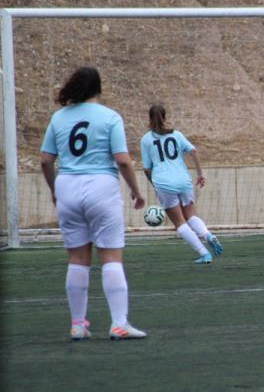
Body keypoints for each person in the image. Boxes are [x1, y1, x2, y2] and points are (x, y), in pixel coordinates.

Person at [40, 66, 147, 340]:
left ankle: (78, 325)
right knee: (110, 256)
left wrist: (54, 189)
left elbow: (46, 160)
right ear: (98, 89)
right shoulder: (110, 117)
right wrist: (136, 191)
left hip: (68, 187)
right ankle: (119, 324)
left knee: (77, 259)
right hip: (101, 186)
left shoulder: (58, 118)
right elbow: (122, 159)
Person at [140, 104, 222, 265]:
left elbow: (146, 169)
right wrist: (200, 174)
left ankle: (204, 253)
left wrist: (155, 185)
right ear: (165, 118)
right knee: (190, 215)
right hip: (184, 181)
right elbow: (194, 151)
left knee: (179, 222)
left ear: (149, 119)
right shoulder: (176, 135)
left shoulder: (146, 140)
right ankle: (208, 235)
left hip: (164, 183)